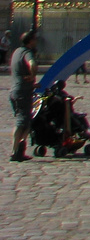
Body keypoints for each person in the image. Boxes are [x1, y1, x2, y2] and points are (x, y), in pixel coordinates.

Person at [10, 30, 37, 162]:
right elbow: (32, 64)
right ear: (30, 41)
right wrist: (32, 76)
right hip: (23, 92)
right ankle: (17, 151)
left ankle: (16, 150)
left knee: (20, 121)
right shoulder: (27, 53)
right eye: (34, 39)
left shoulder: (16, 52)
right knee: (24, 122)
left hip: (14, 91)